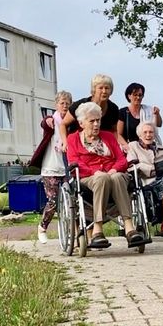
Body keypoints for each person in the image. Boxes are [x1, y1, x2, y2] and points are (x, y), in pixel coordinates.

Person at [65, 102, 148, 249]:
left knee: (115, 177)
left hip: (114, 175)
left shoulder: (108, 136)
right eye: (92, 121)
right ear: (81, 123)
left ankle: (129, 228)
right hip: (89, 177)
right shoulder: (72, 139)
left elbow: (122, 160)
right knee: (102, 178)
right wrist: (94, 172)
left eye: (98, 120)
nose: (96, 124)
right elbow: (74, 162)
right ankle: (97, 230)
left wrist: (114, 170)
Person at [28, 90, 73, 243]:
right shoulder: (52, 121)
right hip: (51, 167)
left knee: (72, 200)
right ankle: (42, 227)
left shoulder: (71, 124)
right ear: (56, 105)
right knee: (53, 201)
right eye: (62, 103)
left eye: (67, 104)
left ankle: (75, 232)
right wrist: (46, 119)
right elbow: (44, 123)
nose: (65, 106)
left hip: (67, 167)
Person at [64, 74, 125, 147]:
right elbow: (63, 124)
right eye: (100, 88)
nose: (104, 91)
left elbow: (114, 131)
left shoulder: (113, 108)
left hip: (100, 146)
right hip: (76, 144)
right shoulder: (80, 105)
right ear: (94, 90)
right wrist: (65, 143)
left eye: (107, 88)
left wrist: (122, 145)